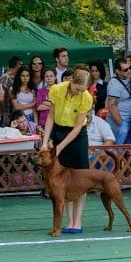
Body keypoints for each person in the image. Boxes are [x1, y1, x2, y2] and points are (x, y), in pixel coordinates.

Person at [41, 64, 94, 233]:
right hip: (58, 130)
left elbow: (78, 127)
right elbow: (50, 117)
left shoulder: (86, 97)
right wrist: (45, 140)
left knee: (80, 178)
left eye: (83, 89)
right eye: (77, 88)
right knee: (63, 180)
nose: (79, 92)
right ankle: (69, 220)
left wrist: (61, 146)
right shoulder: (57, 89)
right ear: (71, 81)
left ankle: (77, 220)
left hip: (77, 137)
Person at [105, 59, 131, 144]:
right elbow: (111, 106)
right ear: (118, 71)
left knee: (129, 149)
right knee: (119, 147)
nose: (129, 71)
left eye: (130, 68)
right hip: (121, 120)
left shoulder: (130, 77)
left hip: (130, 119)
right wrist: (121, 125)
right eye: (125, 70)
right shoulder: (114, 83)